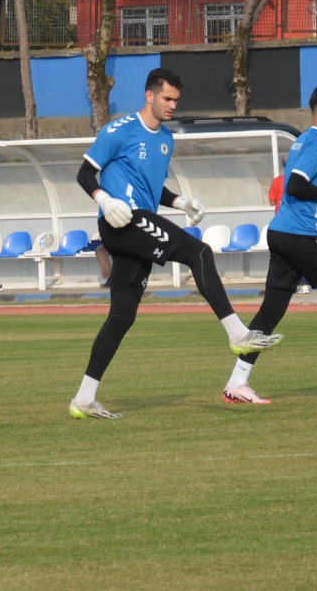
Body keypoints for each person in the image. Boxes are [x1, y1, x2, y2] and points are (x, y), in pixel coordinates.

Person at [67, 67, 282, 420]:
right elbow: (85, 173)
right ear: (149, 96)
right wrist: (104, 200)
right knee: (200, 251)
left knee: (121, 317)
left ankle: (84, 398)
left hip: (138, 227)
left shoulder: (166, 139)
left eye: (176, 100)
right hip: (122, 222)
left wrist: (181, 202)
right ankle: (237, 333)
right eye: (167, 98)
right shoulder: (119, 131)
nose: (172, 105)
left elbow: (154, 188)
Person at [222, 84, 317, 406]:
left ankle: (237, 383)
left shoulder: (304, 140)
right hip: (301, 234)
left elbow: (297, 184)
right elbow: (295, 186)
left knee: (271, 310)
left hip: (282, 232)